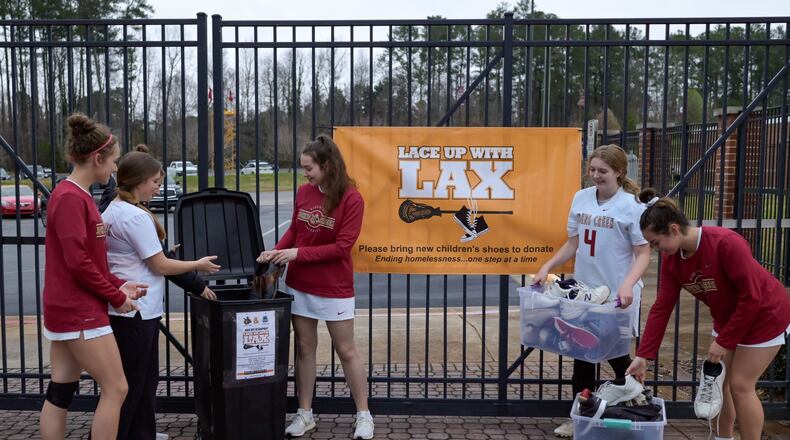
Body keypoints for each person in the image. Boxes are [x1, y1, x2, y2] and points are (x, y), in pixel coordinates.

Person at [626, 189, 790, 440]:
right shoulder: (673, 262)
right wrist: (644, 355)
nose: (655, 250)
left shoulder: (726, 243)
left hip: (765, 314)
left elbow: (752, 298)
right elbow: (662, 308)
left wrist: (724, 340)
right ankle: (723, 438)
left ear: (673, 229)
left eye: (656, 243)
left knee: (740, 385)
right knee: (721, 386)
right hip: (728, 317)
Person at [39, 113, 148, 440]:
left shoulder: (73, 195)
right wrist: (117, 297)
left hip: (68, 310)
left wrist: (118, 284)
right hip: (79, 313)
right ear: (97, 157)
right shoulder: (72, 198)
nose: (115, 169)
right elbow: (78, 264)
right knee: (116, 388)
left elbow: (89, 261)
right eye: (113, 161)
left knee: (61, 391)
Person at [257, 135, 373, 439]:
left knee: (346, 350)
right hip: (300, 284)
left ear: (327, 165)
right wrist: (276, 252)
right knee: (305, 349)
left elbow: (342, 247)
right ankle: (305, 413)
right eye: (303, 168)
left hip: (334, 286)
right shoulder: (304, 192)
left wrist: (296, 254)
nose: (305, 173)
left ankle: (364, 414)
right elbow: (296, 229)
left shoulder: (351, 198)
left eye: (309, 167)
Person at [102, 146, 221, 440]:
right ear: (138, 180)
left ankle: (143, 432)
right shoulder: (134, 216)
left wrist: (167, 256)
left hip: (129, 309)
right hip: (137, 310)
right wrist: (198, 264)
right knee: (135, 381)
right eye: (155, 181)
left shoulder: (115, 209)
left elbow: (142, 257)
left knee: (142, 379)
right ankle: (129, 433)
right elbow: (160, 265)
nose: (158, 187)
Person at [533, 144, 651, 438]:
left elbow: (644, 252)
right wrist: (547, 266)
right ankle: (581, 417)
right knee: (583, 357)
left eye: (603, 171)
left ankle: (636, 397)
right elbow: (573, 243)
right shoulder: (581, 198)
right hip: (585, 293)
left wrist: (626, 285)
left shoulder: (632, 206)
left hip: (616, 294)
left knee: (615, 353)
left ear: (619, 172)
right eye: (593, 170)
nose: (596, 176)